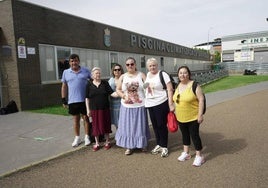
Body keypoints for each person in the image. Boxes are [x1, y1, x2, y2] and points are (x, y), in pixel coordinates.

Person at [115, 57, 151, 155]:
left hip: (140, 105)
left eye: (132, 64)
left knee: (140, 126)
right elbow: (117, 89)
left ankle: (142, 144)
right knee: (128, 127)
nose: (130, 66)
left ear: (135, 64)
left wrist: (148, 87)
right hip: (126, 107)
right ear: (126, 66)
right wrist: (123, 96)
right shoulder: (123, 76)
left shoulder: (141, 75)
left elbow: (148, 85)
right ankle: (129, 146)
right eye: (128, 64)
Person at [173, 65, 205, 167]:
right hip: (181, 116)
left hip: (193, 117)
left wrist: (200, 115)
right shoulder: (178, 85)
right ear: (178, 75)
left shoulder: (194, 85)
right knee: (184, 135)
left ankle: (199, 156)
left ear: (189, 74)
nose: (183, 75)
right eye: (180, 73)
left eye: (185, 72)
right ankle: (186, 153)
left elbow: (201, 100)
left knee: (194, 136)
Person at [144, 58, 174, 158]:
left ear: (157, 65)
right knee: (155, 125)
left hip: (161, 102)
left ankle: (164, 146)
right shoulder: (148, 75)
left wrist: (170, 104)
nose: (152, 67)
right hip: (150, 103)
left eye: (154, 65)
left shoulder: (163, 74)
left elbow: (170, 89)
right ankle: (159, 144)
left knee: (161, 125)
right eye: (150, 66)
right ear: (148, 67)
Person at [61, 54, 91, 147]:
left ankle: (87, 137)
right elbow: (64, 86)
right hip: (72, 101)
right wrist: (63, 99)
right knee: (76, 120)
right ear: (69, 62)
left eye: (76, 60)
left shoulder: (85, 71)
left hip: (84, 100)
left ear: (79, 61)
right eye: (72, 61)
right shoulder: (66, 72)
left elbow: (93, 81)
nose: (74, 63)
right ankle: (77, 137)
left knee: (86, 118)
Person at [85, 67, 118, 151]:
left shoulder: (105, 83)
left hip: (105, 108)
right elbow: (87, 98)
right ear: (92, 75)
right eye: (96, 73)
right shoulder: (89, 84)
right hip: (94, 109)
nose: (98, 75)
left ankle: (107, 142)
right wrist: (88, 110)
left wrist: (121, 94)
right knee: (95, 126)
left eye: (99, 73)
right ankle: (97, 143)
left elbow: (112, 93)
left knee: (106, 125)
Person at [108, 63, 124, 129]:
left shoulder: (124, 79)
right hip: (113, 104)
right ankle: (119, 134)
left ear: (121, 70)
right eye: (115, 70)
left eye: (119, 69)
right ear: (113, 71)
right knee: (116, 120)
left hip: (123, 103)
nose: (117, 71)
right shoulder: (110, 81)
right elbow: (109, 92)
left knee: (123, 120)